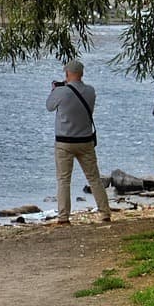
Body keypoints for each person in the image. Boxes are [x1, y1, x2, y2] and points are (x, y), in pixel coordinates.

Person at [46, 59, 112, 224]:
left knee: (63, 179)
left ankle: (63, 217)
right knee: (94, 178)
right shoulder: (91, 91)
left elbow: (49, 106)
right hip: (85, 141)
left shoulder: (61, 92)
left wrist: (54, 90)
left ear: (67, 73)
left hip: (64, 142)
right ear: (81, 74)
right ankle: (105, 213)